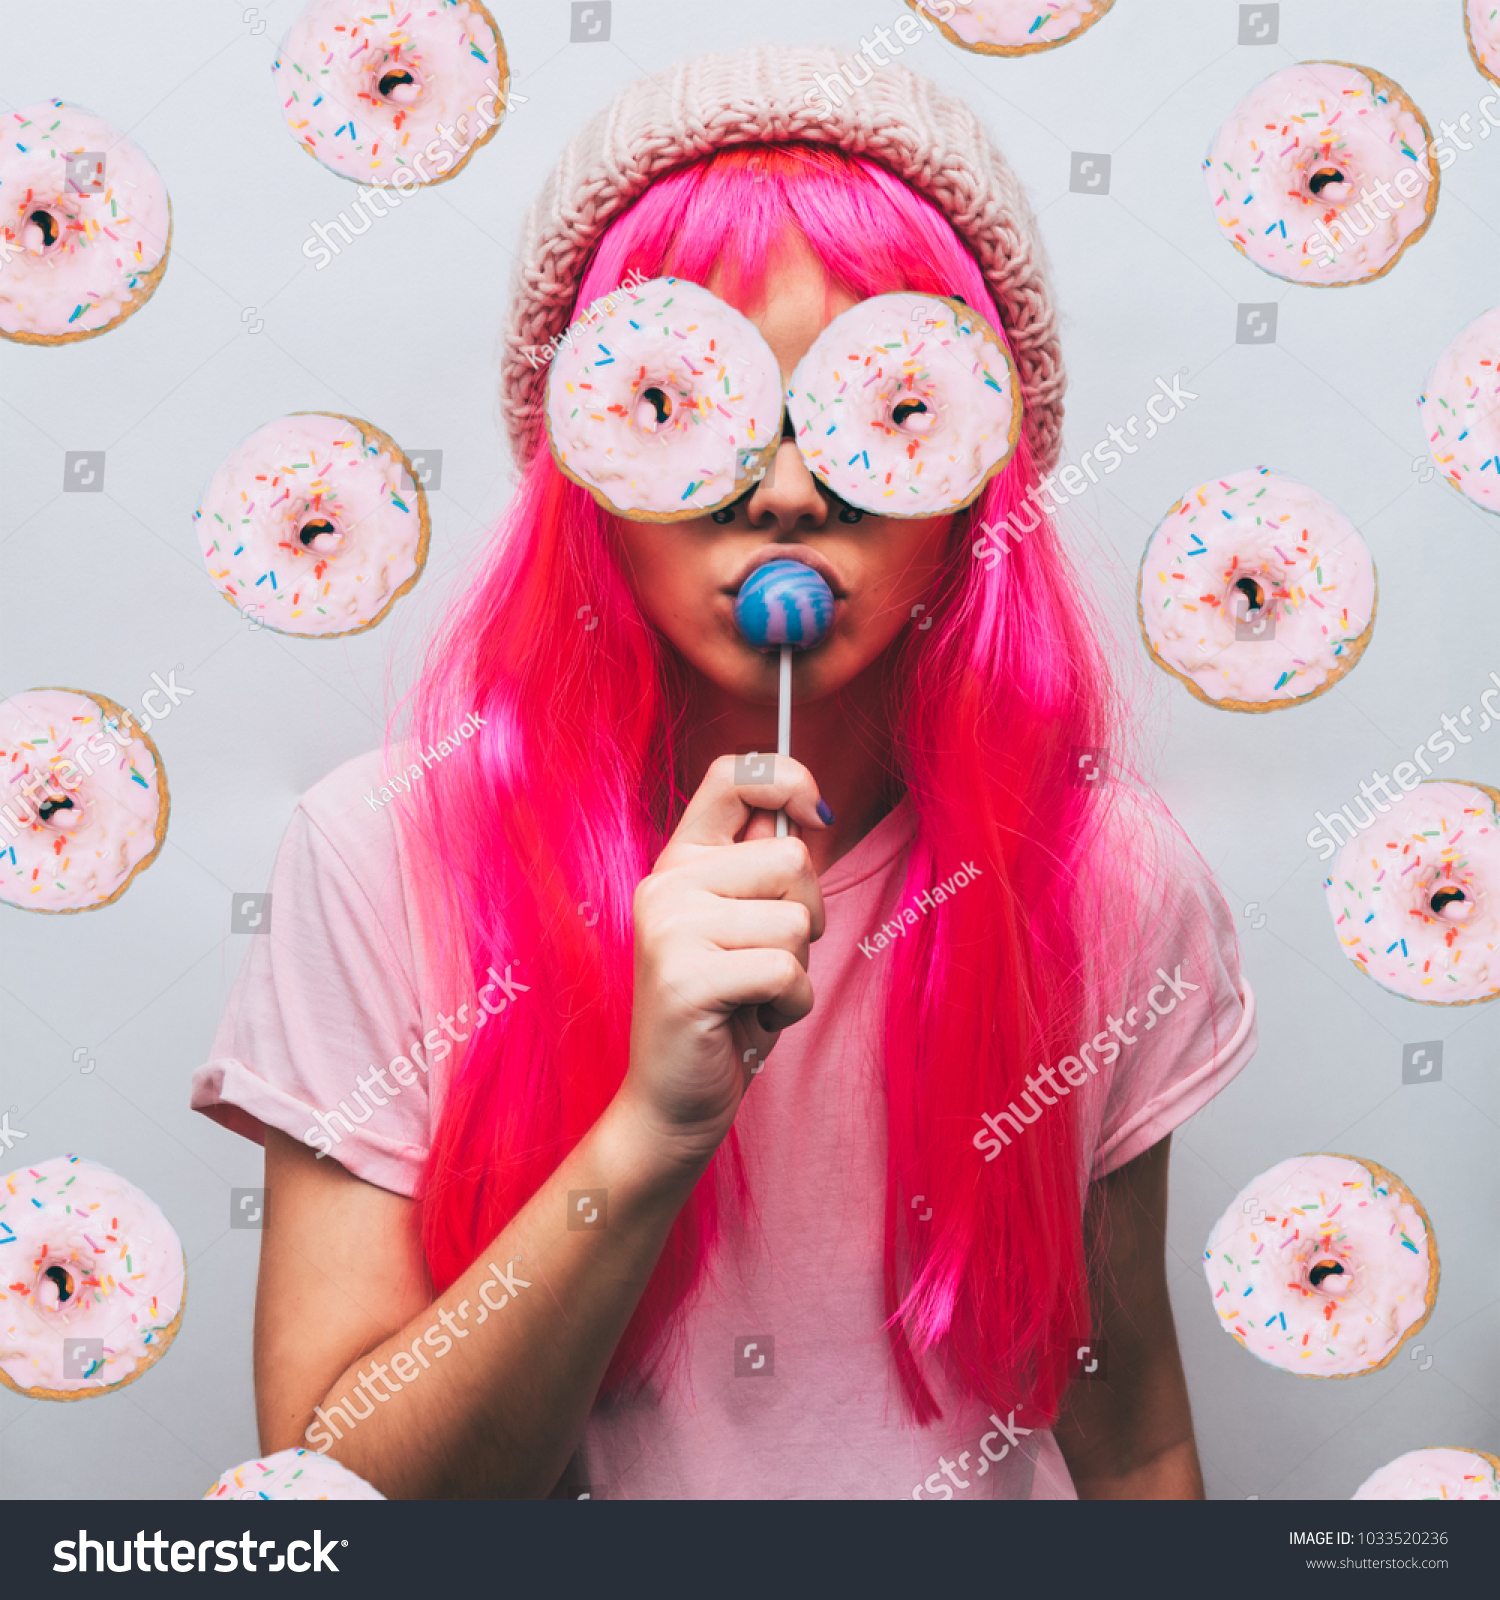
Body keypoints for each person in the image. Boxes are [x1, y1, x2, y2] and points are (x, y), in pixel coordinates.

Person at [192, 47, 1255, 1500]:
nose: (787, 487)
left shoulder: (1105, 875)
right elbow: (334, 1512)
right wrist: (648, 1132)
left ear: (979, 478)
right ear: (581, 467)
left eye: (886, 407)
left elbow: (1131, 1445)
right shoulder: (387, 853)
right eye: (681, 401)